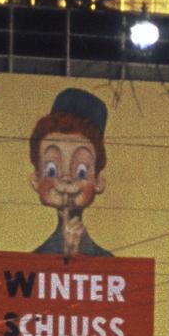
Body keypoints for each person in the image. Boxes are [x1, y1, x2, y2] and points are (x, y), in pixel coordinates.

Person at [28, 88, 112, 258]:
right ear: (35, 179)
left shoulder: (110, 263)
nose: (66, 178)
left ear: (98, 182)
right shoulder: (28, 263)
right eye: (52, 169)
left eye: (81, 171)